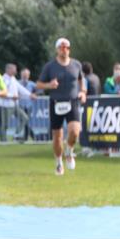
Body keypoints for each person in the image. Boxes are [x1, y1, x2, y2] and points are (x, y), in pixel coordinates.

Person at [36, 37, 87, 175]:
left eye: (66, 47)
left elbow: (82, 80)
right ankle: (59, 162)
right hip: (56, 103)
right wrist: (49, 85)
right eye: (61, 47)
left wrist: (82, 92)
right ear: (57, 49)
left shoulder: (76, 64)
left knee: (75, 131)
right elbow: (38, 84)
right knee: (57, 137)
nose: (64, 50)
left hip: (73, 101)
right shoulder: (50, 66)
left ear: (69, 49)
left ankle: (69, 151)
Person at [0, 63, 31, 142]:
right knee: (4, 125)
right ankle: (3, 141)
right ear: (8, 70)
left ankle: (16, 134)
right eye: (14, 69)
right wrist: (12, 96)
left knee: (25, 118)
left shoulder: (13, 79)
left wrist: (30, 95)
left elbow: (20, 88)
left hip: (14, 105)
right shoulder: (3, 79)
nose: (15, 71)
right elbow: (1, 92)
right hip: (5, 106)